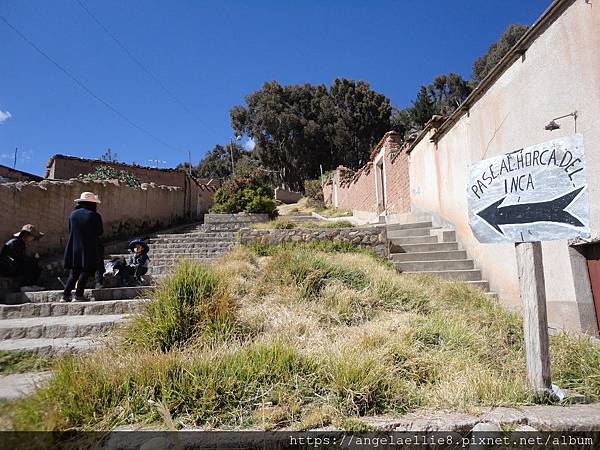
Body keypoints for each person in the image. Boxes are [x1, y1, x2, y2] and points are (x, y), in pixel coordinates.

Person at [62, 192, 103, 302]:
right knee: (86, 270)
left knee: (74, 272)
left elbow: (70, 230)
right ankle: (79, 294)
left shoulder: (72, 215)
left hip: (73, 246)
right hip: (88, 247)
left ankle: (66, 295)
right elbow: (99, 231)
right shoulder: (93, 215)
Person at [0, 224, 45, 292]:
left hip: (13, 265)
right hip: (7, 268)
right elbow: (19, 258)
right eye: (32, 236)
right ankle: (24, 286)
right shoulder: (14, 243)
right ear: (27, 234)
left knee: (35, 265)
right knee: (30, 264)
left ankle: (32, 284)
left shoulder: (21, 243)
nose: (33, 238)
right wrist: (33, 260)